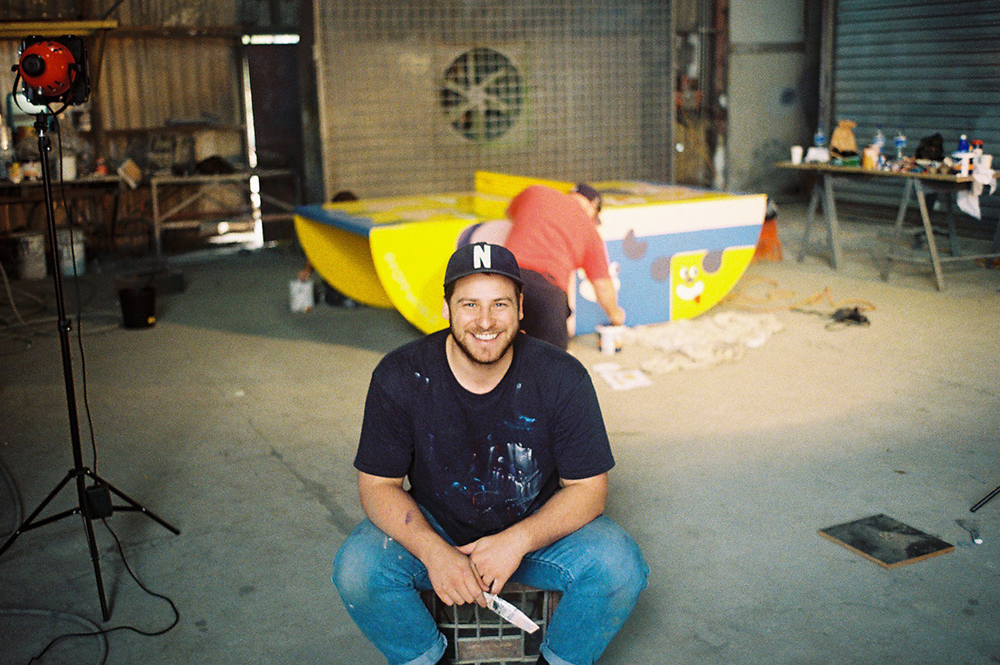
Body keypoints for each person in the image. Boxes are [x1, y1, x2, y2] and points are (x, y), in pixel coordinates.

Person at [332, 242, 648, 665]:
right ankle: (429, 659)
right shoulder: (400, 374)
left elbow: (589, 489)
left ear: (520, 307)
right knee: (357, 570)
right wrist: (431, 549)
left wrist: (517, 540)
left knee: (619, 566)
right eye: (469, 304)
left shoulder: (562, 377)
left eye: (499, 303)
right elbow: (377, 485)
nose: (484, 321)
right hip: (437, 527)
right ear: (446, 307)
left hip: (534, 532)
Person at [503, 183, 625, 350]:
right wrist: (615, 315)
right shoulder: (590, 231)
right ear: (592, 209)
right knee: (553, 365)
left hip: (503, 277)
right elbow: (602, 285)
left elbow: (509, 212)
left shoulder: (537, 192)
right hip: (546, 290)